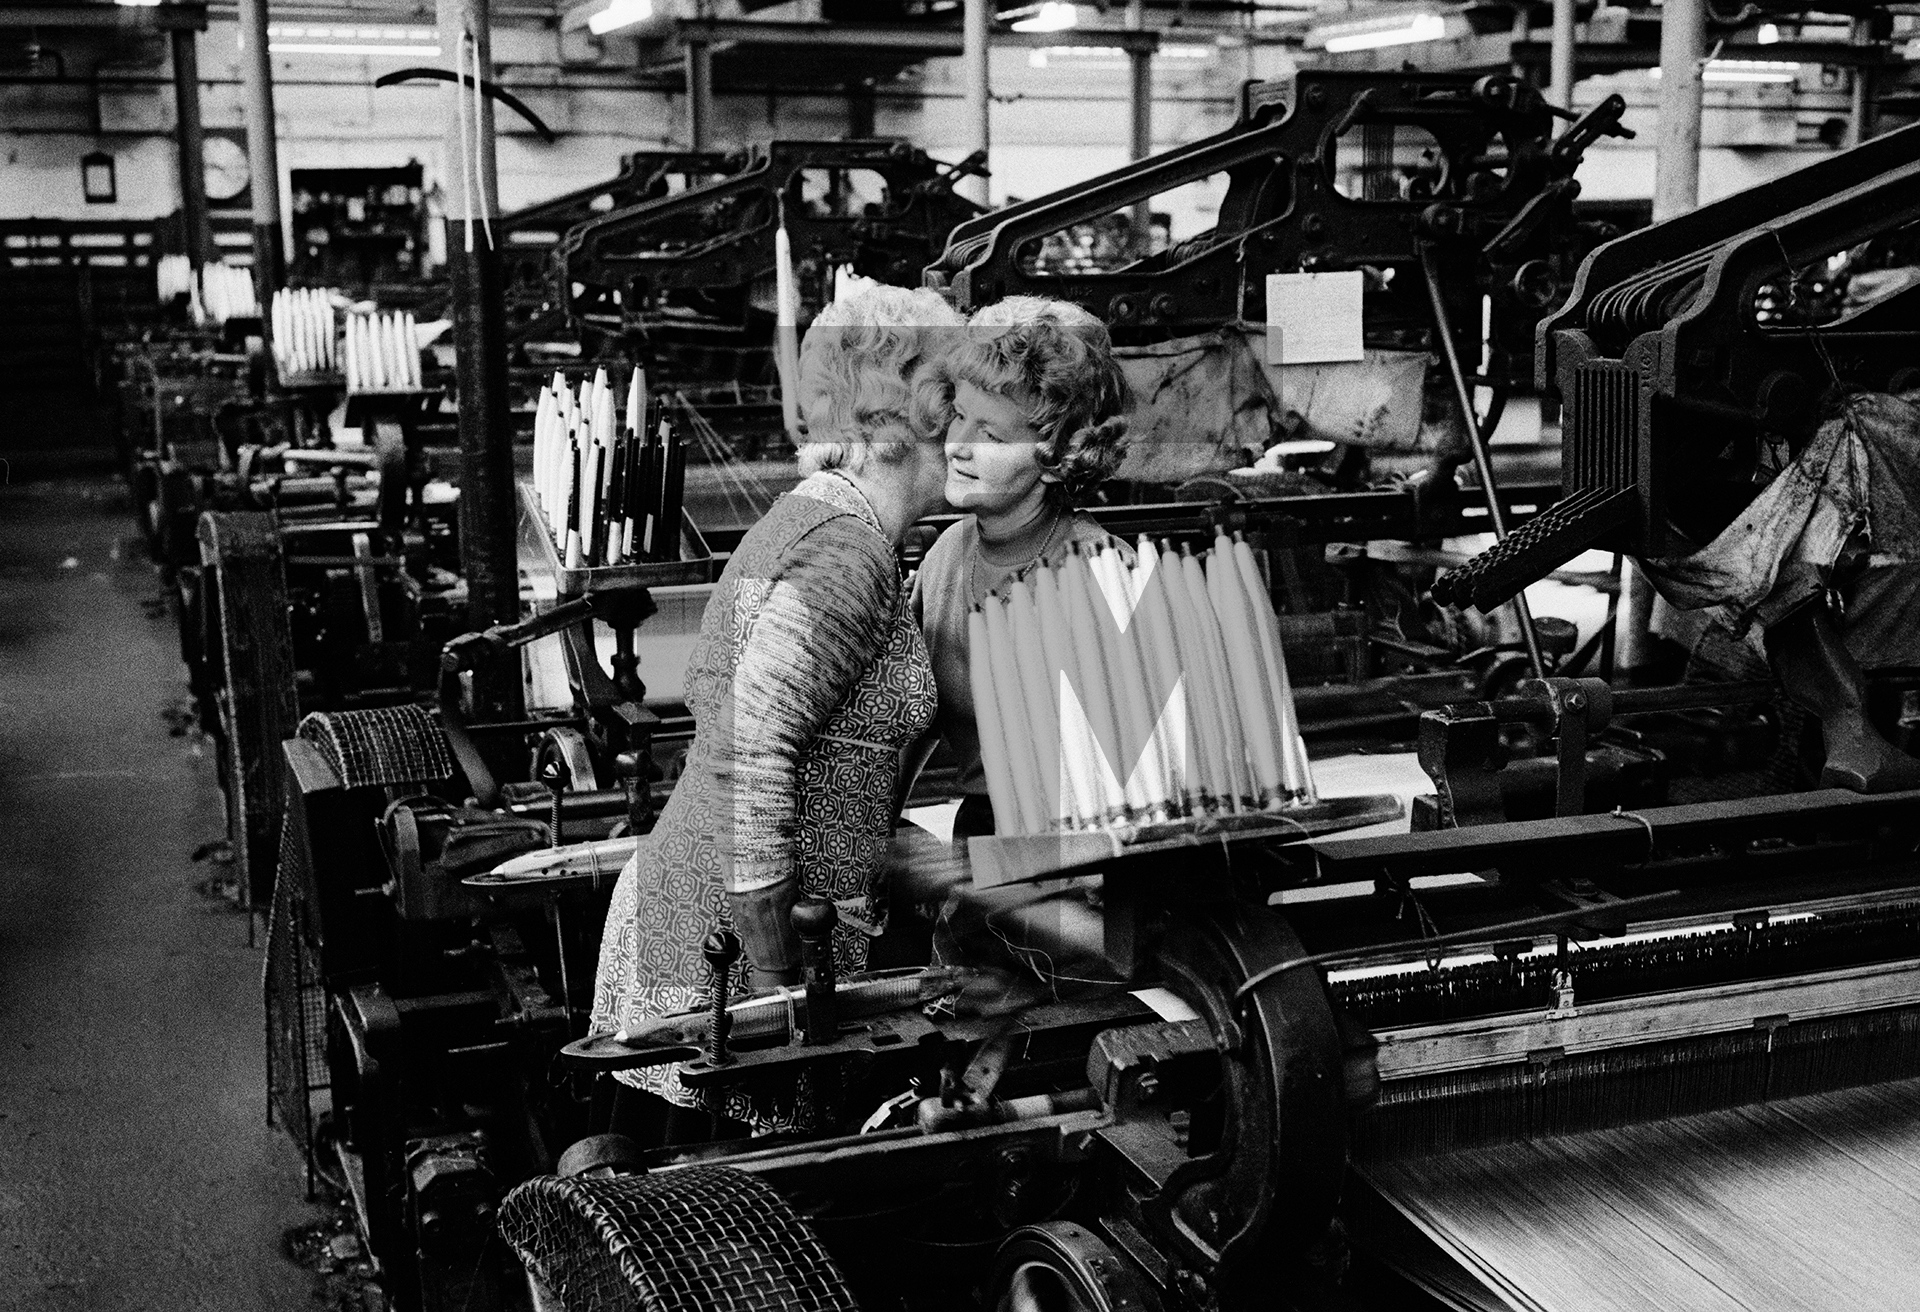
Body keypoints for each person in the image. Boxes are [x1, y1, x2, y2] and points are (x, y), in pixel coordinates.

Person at [589, 284, 962, 1140]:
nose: (974, 433)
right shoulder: (847, 553)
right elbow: (748, 755)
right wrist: (780, 991)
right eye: (961, 405)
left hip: (715, 931)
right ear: (912, 417)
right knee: (719, 1247)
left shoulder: (832, 523)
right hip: (722, 962)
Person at [911, 295, 1135, 841]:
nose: (957, 447)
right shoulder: (945, 557)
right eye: (960, 416)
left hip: (1082, 843)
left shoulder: (1101, 572)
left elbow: (1137, 772)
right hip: (983, 828)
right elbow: (907, 727)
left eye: (991, 435)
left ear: (1059, 458)